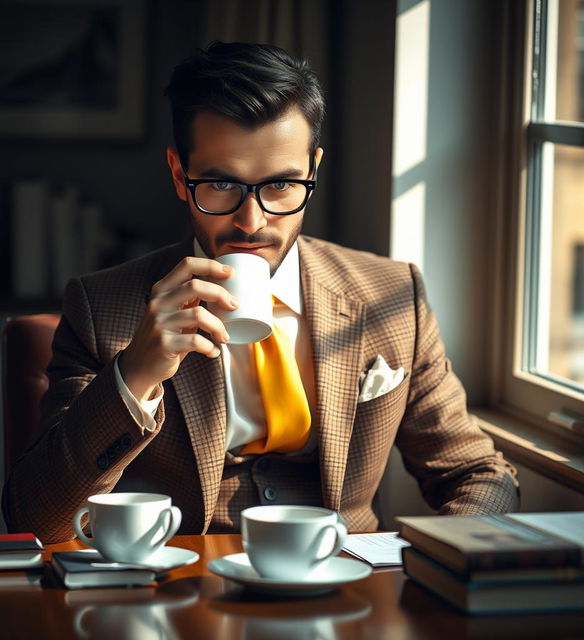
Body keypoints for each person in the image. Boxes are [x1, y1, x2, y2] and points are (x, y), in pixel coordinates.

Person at [3, 42, 518, 543]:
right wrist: (134, 374)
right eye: (222, 185)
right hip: (181, 592)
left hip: (345, 589)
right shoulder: (102, 307)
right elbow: (35, 518)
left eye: (279, 186)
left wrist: (435, 567)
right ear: (181, 176)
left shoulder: (391, 296)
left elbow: (480, 475)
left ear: (312, 170)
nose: (251, 222)